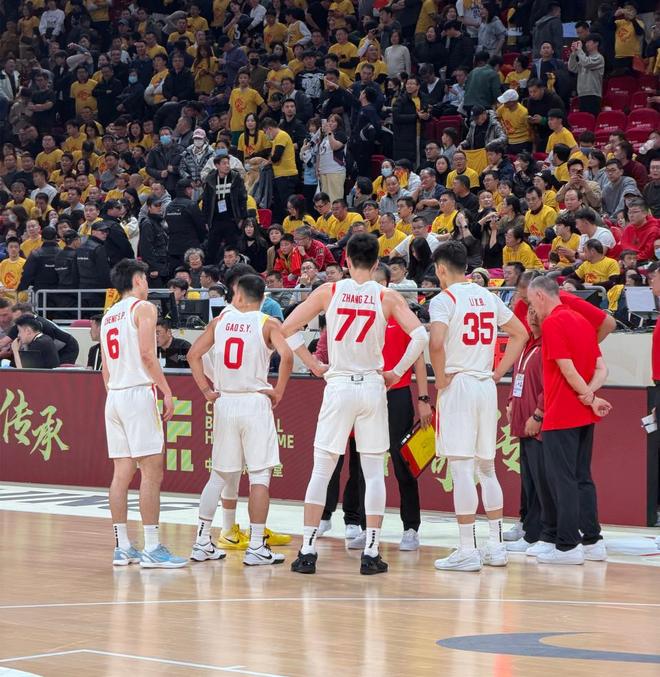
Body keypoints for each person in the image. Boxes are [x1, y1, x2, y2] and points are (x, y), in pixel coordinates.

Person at [282, 233, 428, 575]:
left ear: (346, 260)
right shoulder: (387, 295)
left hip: (339, 384)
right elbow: (421, 335)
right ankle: (372, 551)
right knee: (374, 472)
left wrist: (313, 363)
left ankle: (308, 550)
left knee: (322, 469)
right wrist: (396, 372)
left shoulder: (329, 291)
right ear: (376, 263)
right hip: (373, 386)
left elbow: (287, 327)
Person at [429, 240, 528, 572]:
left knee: (461, 470)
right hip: (486, 385)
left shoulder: (444, 300)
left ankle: (467, 550)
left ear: (441, 269)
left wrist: (439, 379)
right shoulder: (488, 296)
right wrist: (499, 372)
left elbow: (436, 342)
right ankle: (496, 547)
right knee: (487, 468)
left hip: (459, 384)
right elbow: (520, 334)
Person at [188, 274, 293, 565]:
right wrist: (279, 391)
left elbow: (193, 355)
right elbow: (287, 356)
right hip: (254, 400)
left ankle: (201, 542)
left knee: (218, 476)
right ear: (262, 298)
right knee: (259, 476)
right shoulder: (268, 323)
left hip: (225, 401)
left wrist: (206, 391)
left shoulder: (220, 322)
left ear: (240, 296)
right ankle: (257, 545)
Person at [100, 259, 186, 568]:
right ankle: (151, 547)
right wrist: (167, 391)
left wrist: (117, 396)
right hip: (137, 393)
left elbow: (105, 369)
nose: (148, 285)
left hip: (115, 396)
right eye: (146, 279)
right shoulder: (144, 308)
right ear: (138, 280)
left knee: (121, 474)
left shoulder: (108, 316)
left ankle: (123, 547)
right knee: (152, 472)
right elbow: (148, 355)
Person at [526, 276, 611, 564]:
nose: (532, 310)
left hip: (561, 413)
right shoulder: (583, 321)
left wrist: (587, 396)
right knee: (582, 478)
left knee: (562, 480)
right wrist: (591, 397)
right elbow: (602, 369)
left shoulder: (552, 323)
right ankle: (592, 541)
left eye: (531, 302)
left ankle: (567, 545)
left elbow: (567, 369)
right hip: (584, 414)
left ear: (540, 296)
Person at [505, 305, 546, 554]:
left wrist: (538, 414)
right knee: (529, 481)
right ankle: (529, 530)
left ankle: (536, 534)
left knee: (539, 482)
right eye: (529, 311)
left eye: (537, 311)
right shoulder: (525, 343)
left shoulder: (546, 345)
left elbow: (548, 385)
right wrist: (511, 400)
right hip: (523, 419)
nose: (532, 316)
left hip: (537, 422)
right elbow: (517, 377)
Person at [202, 148, 248, 264]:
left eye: (228, 163)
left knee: (233, 248)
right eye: (224, 163)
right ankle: (211, 271)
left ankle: (236, 269)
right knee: (211, 250)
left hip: (232, 219)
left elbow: (242, 198)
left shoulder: (236, 177)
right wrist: (206, 220)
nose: (227, 166)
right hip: (215, 220)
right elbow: (206, 201)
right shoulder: (210, 179)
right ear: (217, 165)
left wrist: (241, 218)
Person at [567, 34, 605, 116]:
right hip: (582, 93)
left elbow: (586, 63)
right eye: (586, 42)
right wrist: (573, 53)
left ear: (596, 43)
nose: (586, 44)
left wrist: (579, 50)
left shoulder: (599, 57)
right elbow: (572, 68)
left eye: (589, 42)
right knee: (584, 120)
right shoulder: (584, 58)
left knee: (592, 118)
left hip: (593, 94)